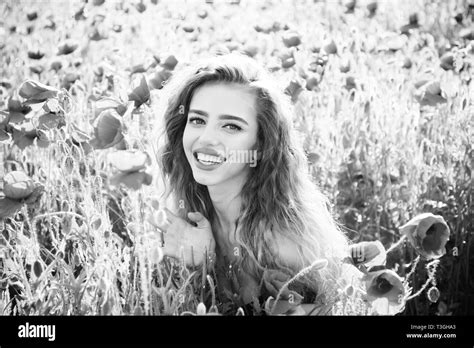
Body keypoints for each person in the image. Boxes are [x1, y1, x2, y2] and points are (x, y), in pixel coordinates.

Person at [149, 53, 362, 315]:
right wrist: (203, 265)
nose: (206, 139)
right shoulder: (188, 215)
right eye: (197, 120)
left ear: (262, 145)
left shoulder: (289, 247)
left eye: (231, 126)